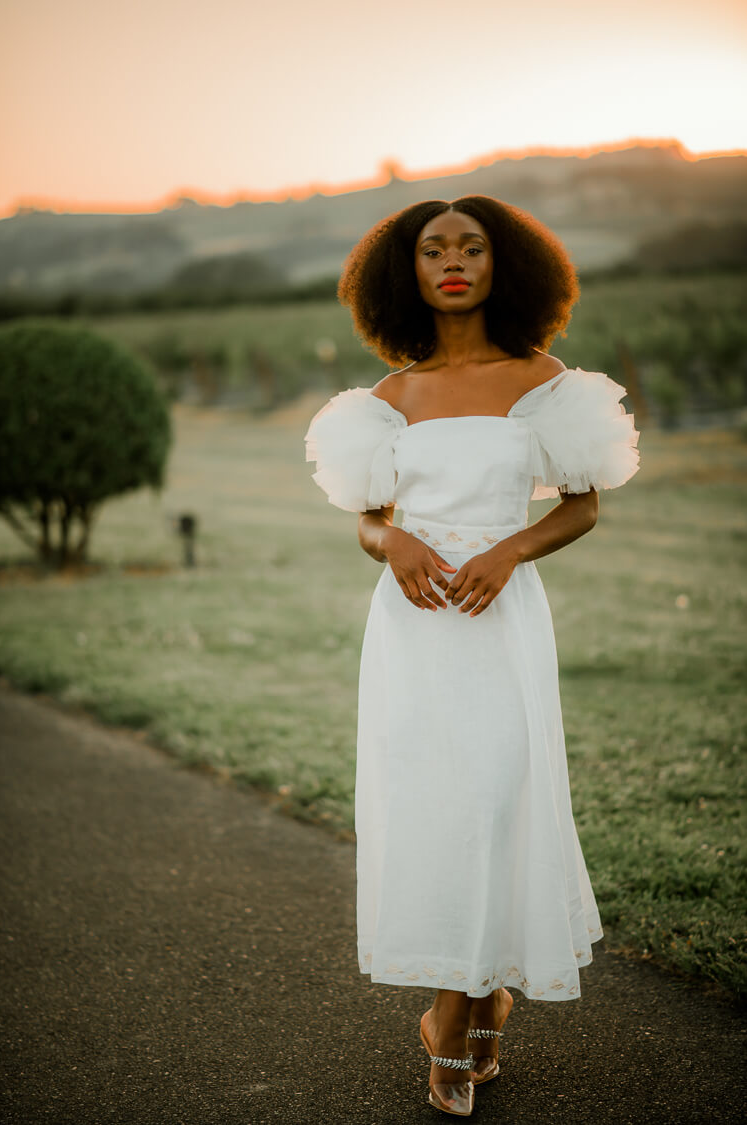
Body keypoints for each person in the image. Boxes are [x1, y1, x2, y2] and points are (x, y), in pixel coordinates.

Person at [304, 196, 640, 1117]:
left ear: (504, 263)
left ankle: (457, 1019)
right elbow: (367, 520)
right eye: (432, 249)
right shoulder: (387, 399)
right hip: (413, 628)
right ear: (404, 272)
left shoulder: (544, 382)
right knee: (434, 807)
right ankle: (474, 1000)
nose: (453, 261)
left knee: (496, 798)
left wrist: (509, 550)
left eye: (473, 246)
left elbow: (582, 505)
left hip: (500, 617)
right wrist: (394, 544)